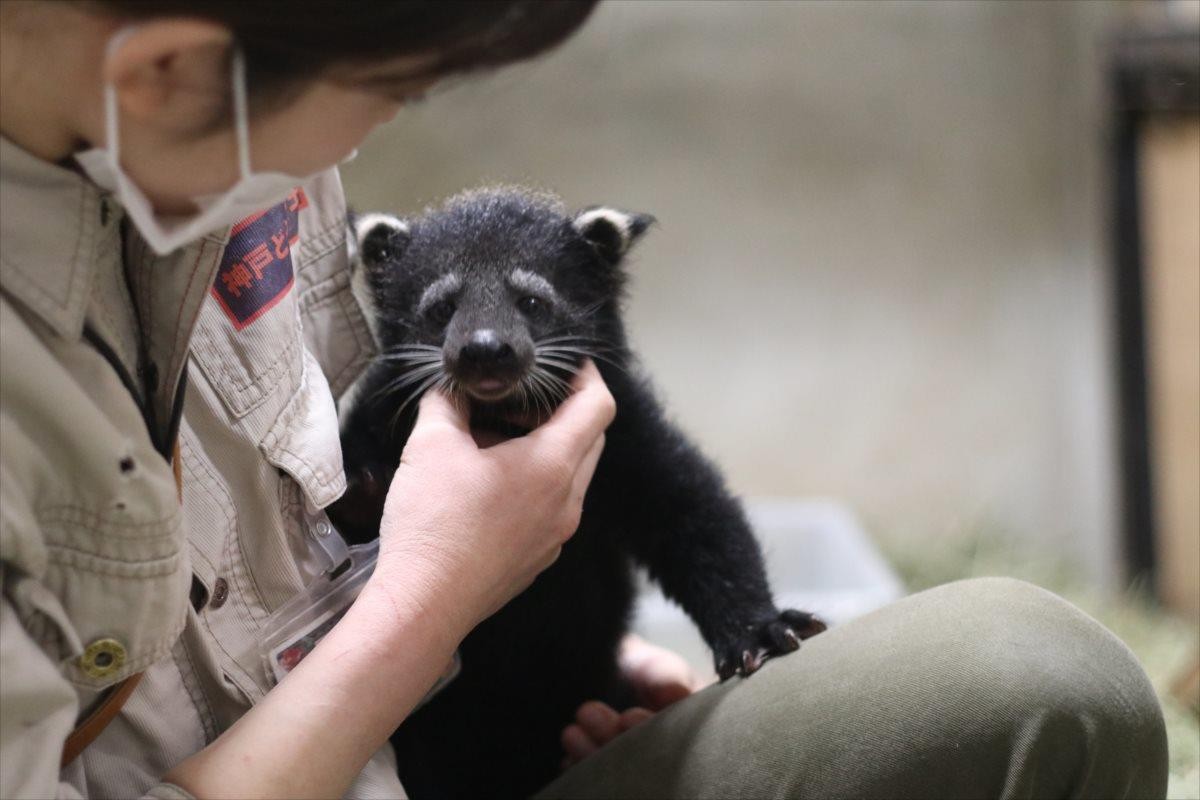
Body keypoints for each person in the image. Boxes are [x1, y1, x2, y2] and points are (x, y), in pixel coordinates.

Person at [0, 2, 1169, 799]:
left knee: (1033, 671)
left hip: (502, 740)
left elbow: (674, 512)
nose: (396, 119)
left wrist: (648, 661)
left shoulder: (230, 157)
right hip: (400, 748)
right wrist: (430, 603)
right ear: (169, 72)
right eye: (395, 85)